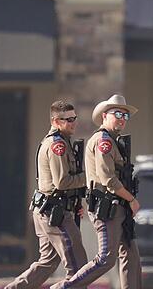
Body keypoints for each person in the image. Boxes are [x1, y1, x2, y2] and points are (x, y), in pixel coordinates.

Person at [50, 94, 142, 289]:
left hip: (118, 205)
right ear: (104, 116)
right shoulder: (104, 141)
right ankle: (65, 287)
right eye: (117, 113)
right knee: (106, 259)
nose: (122, 118)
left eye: (125, 115)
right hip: (107, 207)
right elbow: (108, 179)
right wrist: (131, 199)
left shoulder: (114, 141)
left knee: (131, 255)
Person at [5, 100, 88, 289]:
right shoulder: (57, 145)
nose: (73, 122)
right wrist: (91, 175)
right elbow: (62, 182)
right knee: (78, 267)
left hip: (49, 210)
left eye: (74, 118)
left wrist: (76, 202)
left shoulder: (61, 142)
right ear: (55, 121)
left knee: (47, 263)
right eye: (67, 120)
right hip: (55, 213)